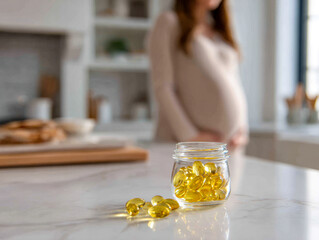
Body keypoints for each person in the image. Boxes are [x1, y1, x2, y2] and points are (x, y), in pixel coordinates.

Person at [148, 0, 248, 152]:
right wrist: (190, 136)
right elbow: (163, 87)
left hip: (227, 150)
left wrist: (241, 131)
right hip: (185, 149)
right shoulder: (169, 22)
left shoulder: (222, 31)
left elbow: (235, 83)